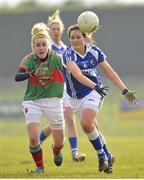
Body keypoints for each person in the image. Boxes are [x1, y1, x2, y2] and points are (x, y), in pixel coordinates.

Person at [63, 24, 138, 173]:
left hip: (94, 92)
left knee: (85, 122)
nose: (75, 40)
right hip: (76, 98)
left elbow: (111, 73)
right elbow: (77, 75)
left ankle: (102, 157)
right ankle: (108, 155)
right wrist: (95, 86)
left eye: (78, 37)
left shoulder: (94, 51)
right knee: (92, 128)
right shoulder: (69, 54)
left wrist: (124, 90)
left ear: (85, 38)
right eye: (72, 37)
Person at [15, 22, 65, 174]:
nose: (41, 48)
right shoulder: (29, 60)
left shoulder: (56, 58)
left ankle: (56, 151)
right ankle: (40, 167)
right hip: (33, 101)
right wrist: (31, 74)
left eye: (44, 44)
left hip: (53, 100)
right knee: (33, 138)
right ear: (33, 47)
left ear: (48, 45)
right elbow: (17, 77)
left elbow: (71, 71)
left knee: (60, 143)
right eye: (38, 45)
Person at [39, 9, 85, 162]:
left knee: (69, 120)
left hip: (65, 88)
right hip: (52, 88)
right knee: (57, 123)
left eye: (58, 28)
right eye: (53, 28)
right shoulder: (47, 47)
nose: (56, 31)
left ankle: (74, 154)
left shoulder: (66, 48)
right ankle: (36, 143)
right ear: (49, 31)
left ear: (62, 30)